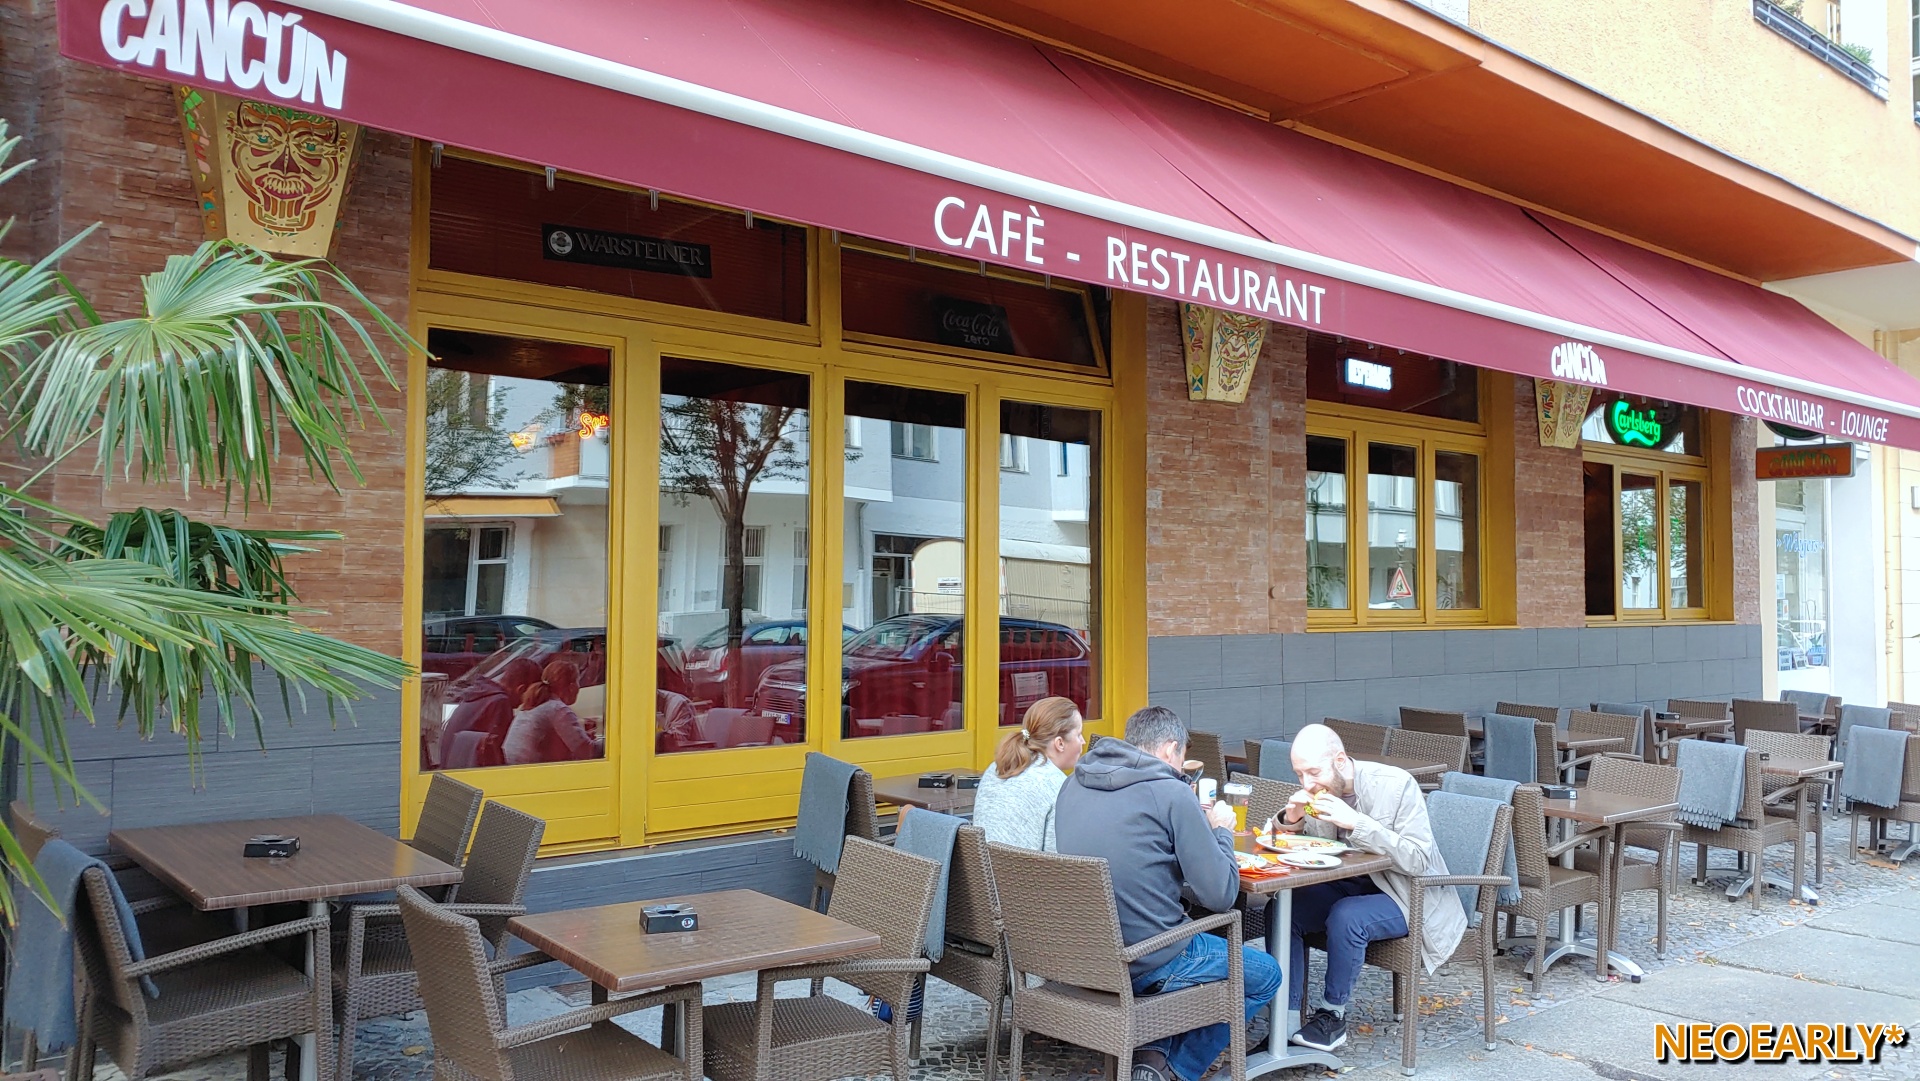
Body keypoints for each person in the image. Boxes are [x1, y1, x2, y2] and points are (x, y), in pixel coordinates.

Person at [1056, 706, 1282, 1081]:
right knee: (1266, 974)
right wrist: (1221, 831)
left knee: (1187, 928)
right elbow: (1221, 895)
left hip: (1086, 956)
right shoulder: (1171, 793)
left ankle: (1153, 1050)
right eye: (1180, 760)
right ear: (1169, 749)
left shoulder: (1073, 784)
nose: (1180, 770)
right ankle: (1178, 1069)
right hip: (1145, 958)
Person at [1273, 723, 1464, 1053]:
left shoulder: (1395, 785)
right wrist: (1291, 821)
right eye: (1299, 774)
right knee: (1284, 908)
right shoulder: (1318, 790)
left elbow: (1418, 859)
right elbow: (1300, 848)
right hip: (1349, 884)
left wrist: (1356, 823)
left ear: (1340, 760)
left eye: (1313, 772)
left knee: (1348, 917)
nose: (1306, 783)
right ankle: (1284, 1023)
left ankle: (1332, 1015)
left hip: (1407, 893)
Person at [974, 697, 1086, 851]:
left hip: (982, 865)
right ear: (1060, 743)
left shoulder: (997, 768)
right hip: (1022, 867)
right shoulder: (1058, 785)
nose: (1083, 741)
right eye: (1078, 735)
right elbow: (1057, 858)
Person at [436, 656, 541, 769]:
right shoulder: (500, 701)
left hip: (450, 767)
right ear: (521, 690)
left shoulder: (479, 693)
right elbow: (501, 753)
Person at [502, 660, 603, 764]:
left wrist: (582, 739)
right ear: (572, 687)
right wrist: (609, 742)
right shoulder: (558, 709)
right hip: (532, 771)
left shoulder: (533, 705)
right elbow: (588, 753)